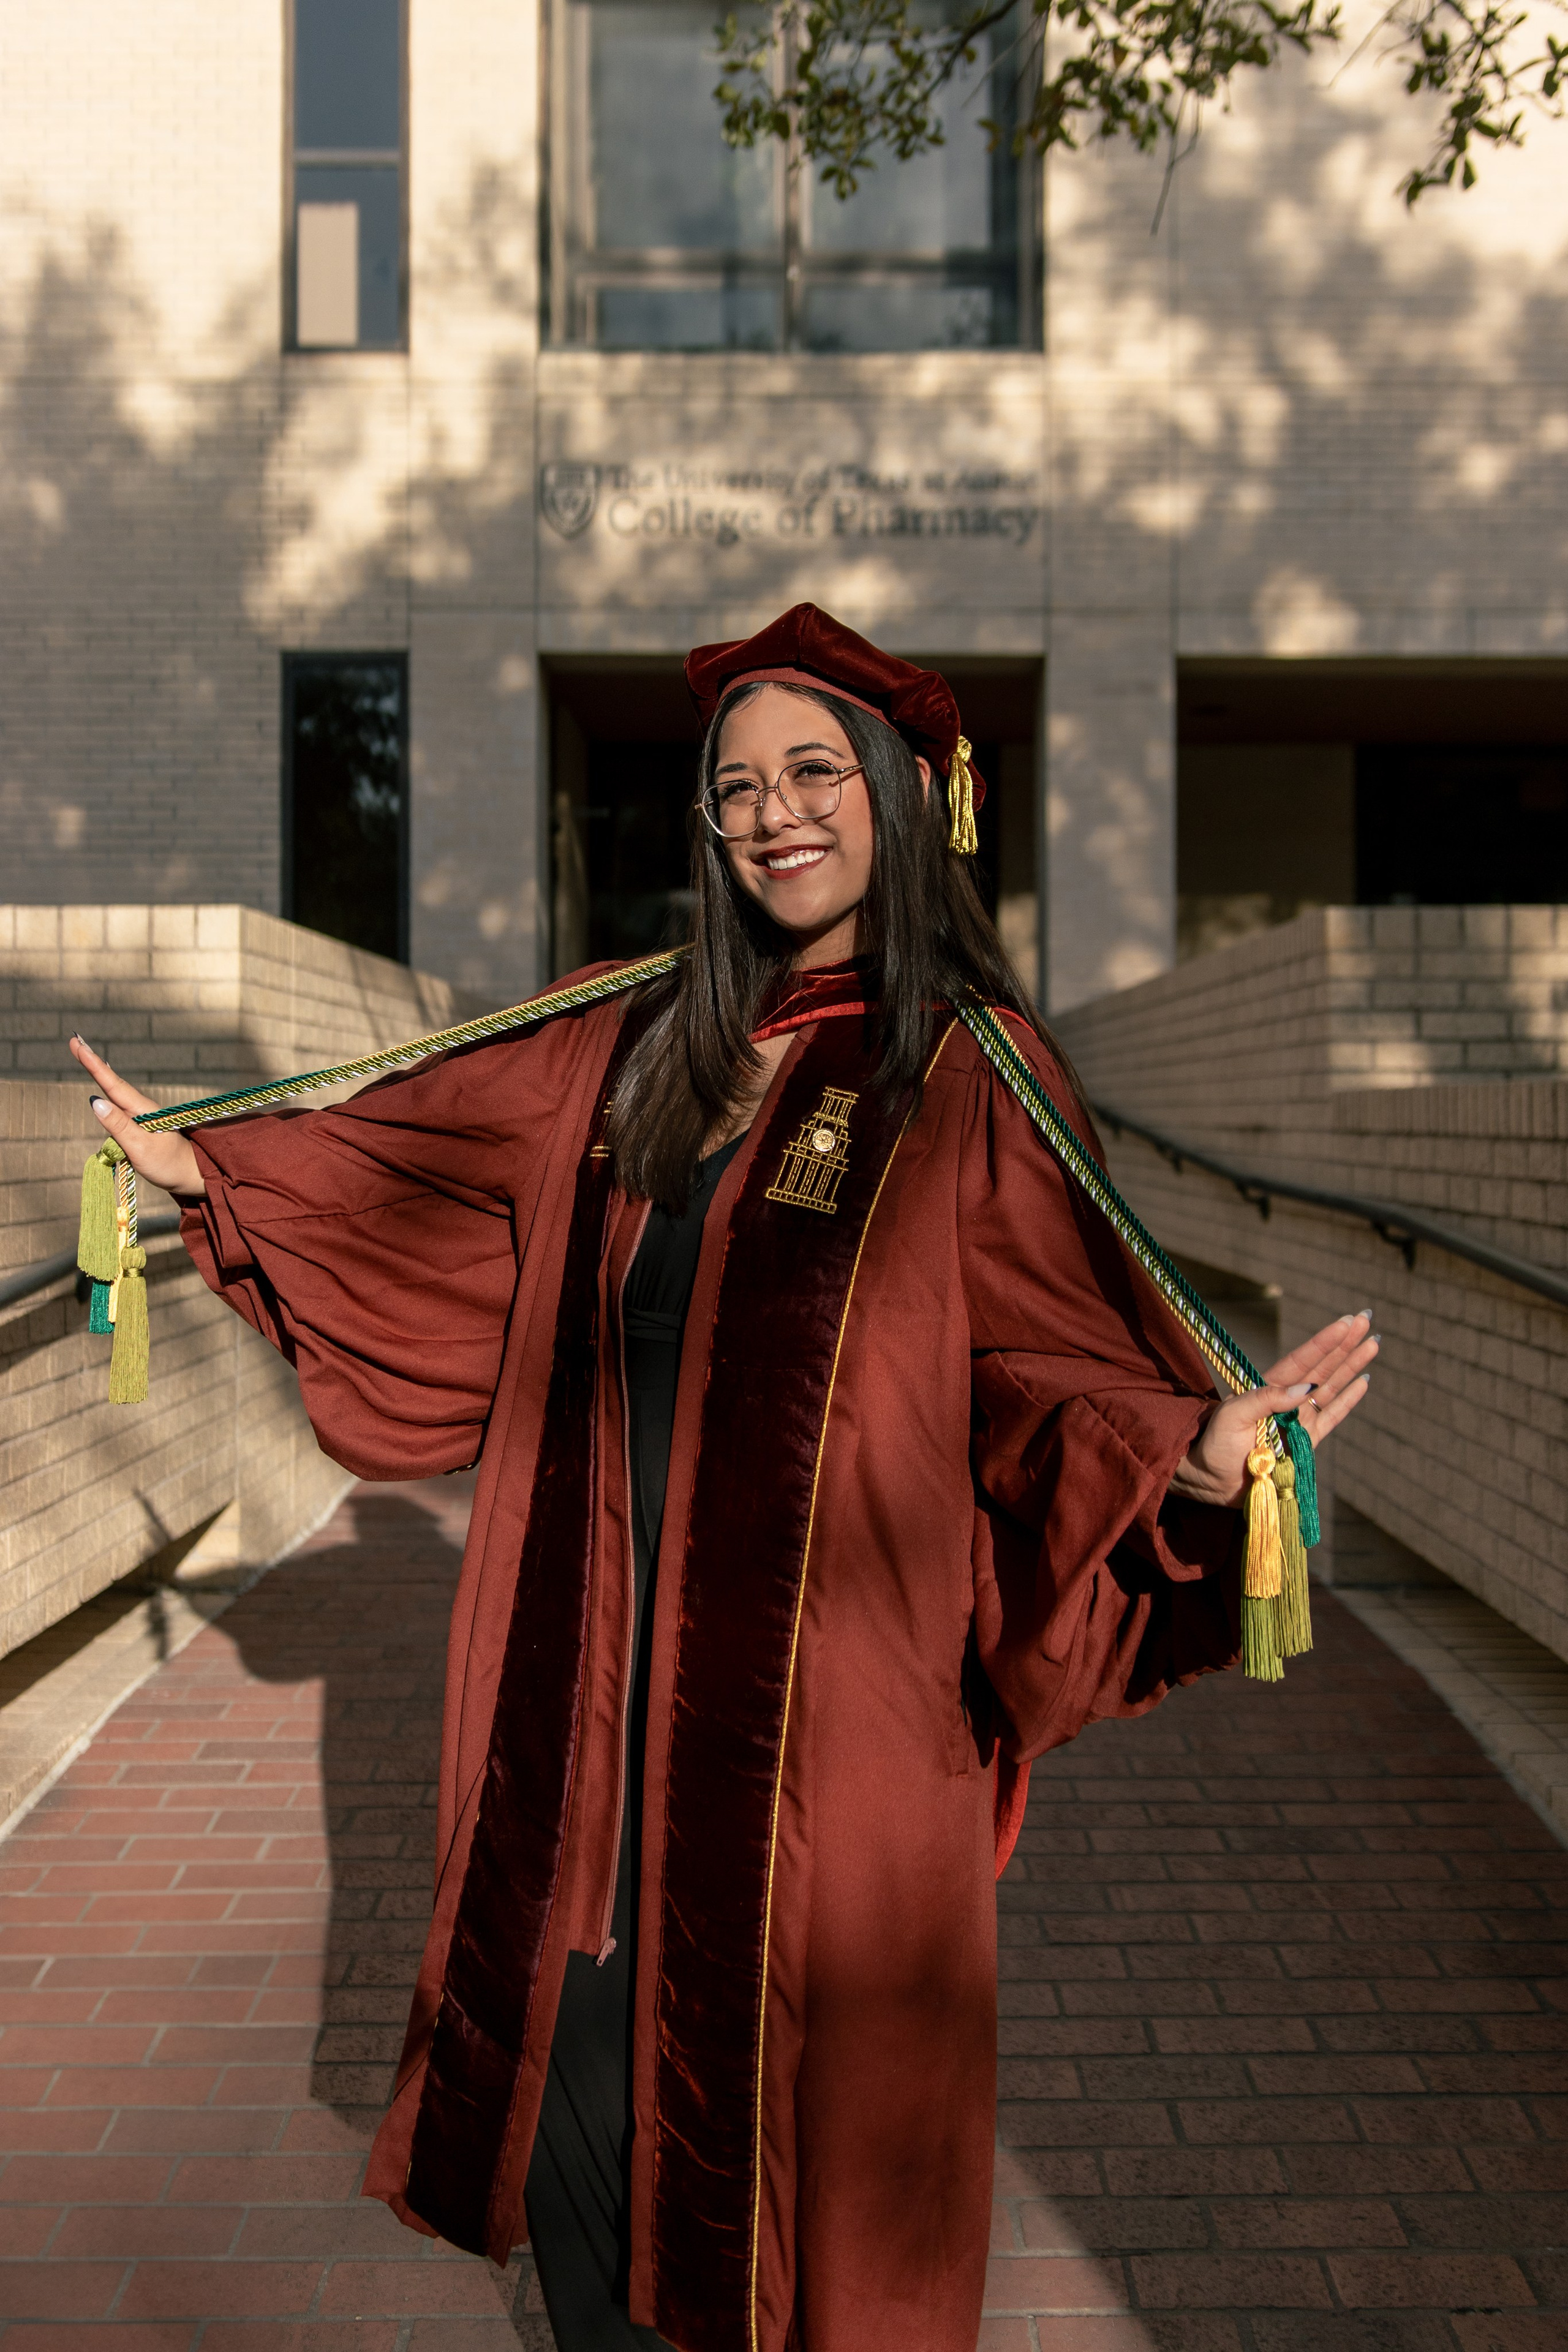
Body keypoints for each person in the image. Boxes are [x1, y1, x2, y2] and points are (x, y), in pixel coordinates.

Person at [72, 604, 1376, 2352]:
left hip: (821, 1757)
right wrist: (216, 1170)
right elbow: (422, 1166)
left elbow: (1043, 1369)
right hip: (589, 1739)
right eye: (736, 786)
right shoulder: (635, 1049)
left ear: (909, 798)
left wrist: (1190, 1456)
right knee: (582, 2152)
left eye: (814, 773)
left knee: (803, 2198)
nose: (773, 813)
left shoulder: (960, 1065)